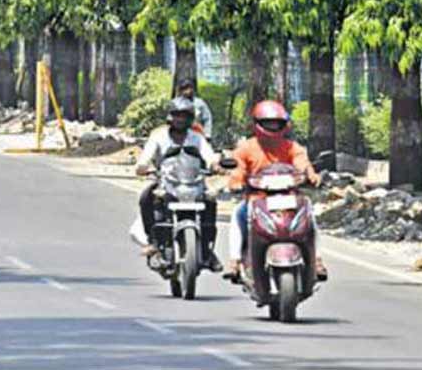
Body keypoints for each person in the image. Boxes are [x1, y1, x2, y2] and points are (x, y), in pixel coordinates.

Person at [224, 99, 327, 280]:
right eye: (268, 123)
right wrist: (237, 182)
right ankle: (235, 261)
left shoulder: (291, 147)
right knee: (237, 215)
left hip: (289, 198)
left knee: (310, 215)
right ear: (257, 124)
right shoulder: (246, 148)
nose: (272, 127)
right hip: (257, 199)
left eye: (276, 123)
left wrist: (310, 174)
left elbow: (302, 162)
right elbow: (238, 169)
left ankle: (316, 259)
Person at [135, 98, 222, 271]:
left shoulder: (197, 138)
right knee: (146, 197)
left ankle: (206, 250)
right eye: (177, 115)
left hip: (194, 182)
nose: (180, 120)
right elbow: (145, 158)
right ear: (170, 117)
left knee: (211, 201)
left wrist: (215, 165)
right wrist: (143, 166)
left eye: (184, 116)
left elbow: (209, 156)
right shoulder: (158, 136)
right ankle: (154, 242)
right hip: (165, 181)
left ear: (190, 118)